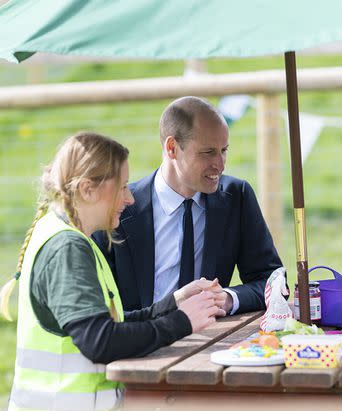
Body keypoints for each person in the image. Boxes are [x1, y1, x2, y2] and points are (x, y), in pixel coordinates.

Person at [0, 132, 225, 411]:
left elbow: (107, 326)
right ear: (87, 189)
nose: (130, 199)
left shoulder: (71, 236)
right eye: (122, 187)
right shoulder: (67, 248)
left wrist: (173, 303)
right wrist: (181, 322)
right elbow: (100, 342)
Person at [93, 96, 282, 314]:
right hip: (140, 340)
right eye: (208, 152)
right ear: (172, 148)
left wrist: (228, 299)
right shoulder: (119, 207)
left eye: (224, 150)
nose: (220, 165)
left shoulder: (236, 197)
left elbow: (273, 281)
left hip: (212, 337)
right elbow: (99, 314)